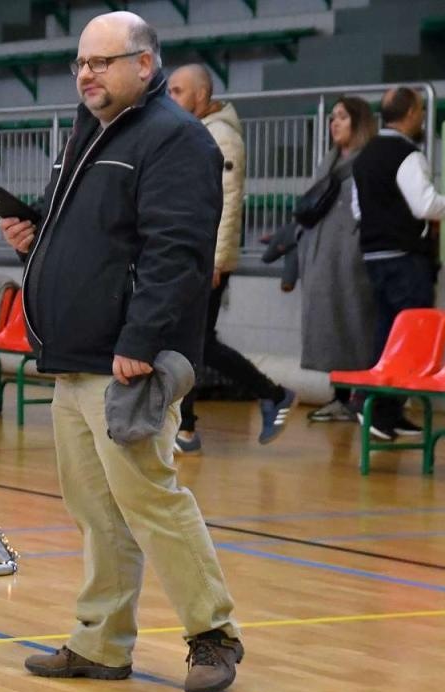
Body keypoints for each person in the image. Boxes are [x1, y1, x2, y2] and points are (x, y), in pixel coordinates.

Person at [0, 12, 245, 692]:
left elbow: (178, 253)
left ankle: (214, 633)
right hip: (74, 356)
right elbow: (88, 235)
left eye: (101, 62)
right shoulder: (86, 133)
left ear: (144, 64)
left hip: (128, 362)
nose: (87, 74)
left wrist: (140, 340)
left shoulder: (176, 138)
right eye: (81, 62)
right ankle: (100, 643)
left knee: (149, 498)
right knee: (96, 509)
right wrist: (34, 236)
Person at [165, 65, 297, 452]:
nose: (170, 98)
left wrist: (217, 259)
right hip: (190, 255)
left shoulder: (221, 137)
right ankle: (190, 426)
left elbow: (228, 201)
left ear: (201, 95)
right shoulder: (194, 132)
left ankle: (264, 397)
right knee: (192, 343)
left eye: (177, 91)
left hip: (204, 259)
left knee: (192, 343)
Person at [351, 86, 445, 441]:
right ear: (410, 112)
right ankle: (374, 405)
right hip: (405, 258)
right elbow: (425, 205)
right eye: (421, 110)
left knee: (388, 331)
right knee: (413, 335)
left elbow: (358, 210)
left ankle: (387, 410)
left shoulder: (364, 155)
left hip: (374, 255)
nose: (423, 117)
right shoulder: (407, 154)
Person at [301, 96, 379, 423]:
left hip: (354, 256)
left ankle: (363, 397)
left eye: (342, 117)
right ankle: (340, 396)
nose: (334, 123)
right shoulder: (328, 161)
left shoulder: (370, 160)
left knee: (356, 322)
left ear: (359, 122)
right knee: (331, 324)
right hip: (323, 253)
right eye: (332, 117)